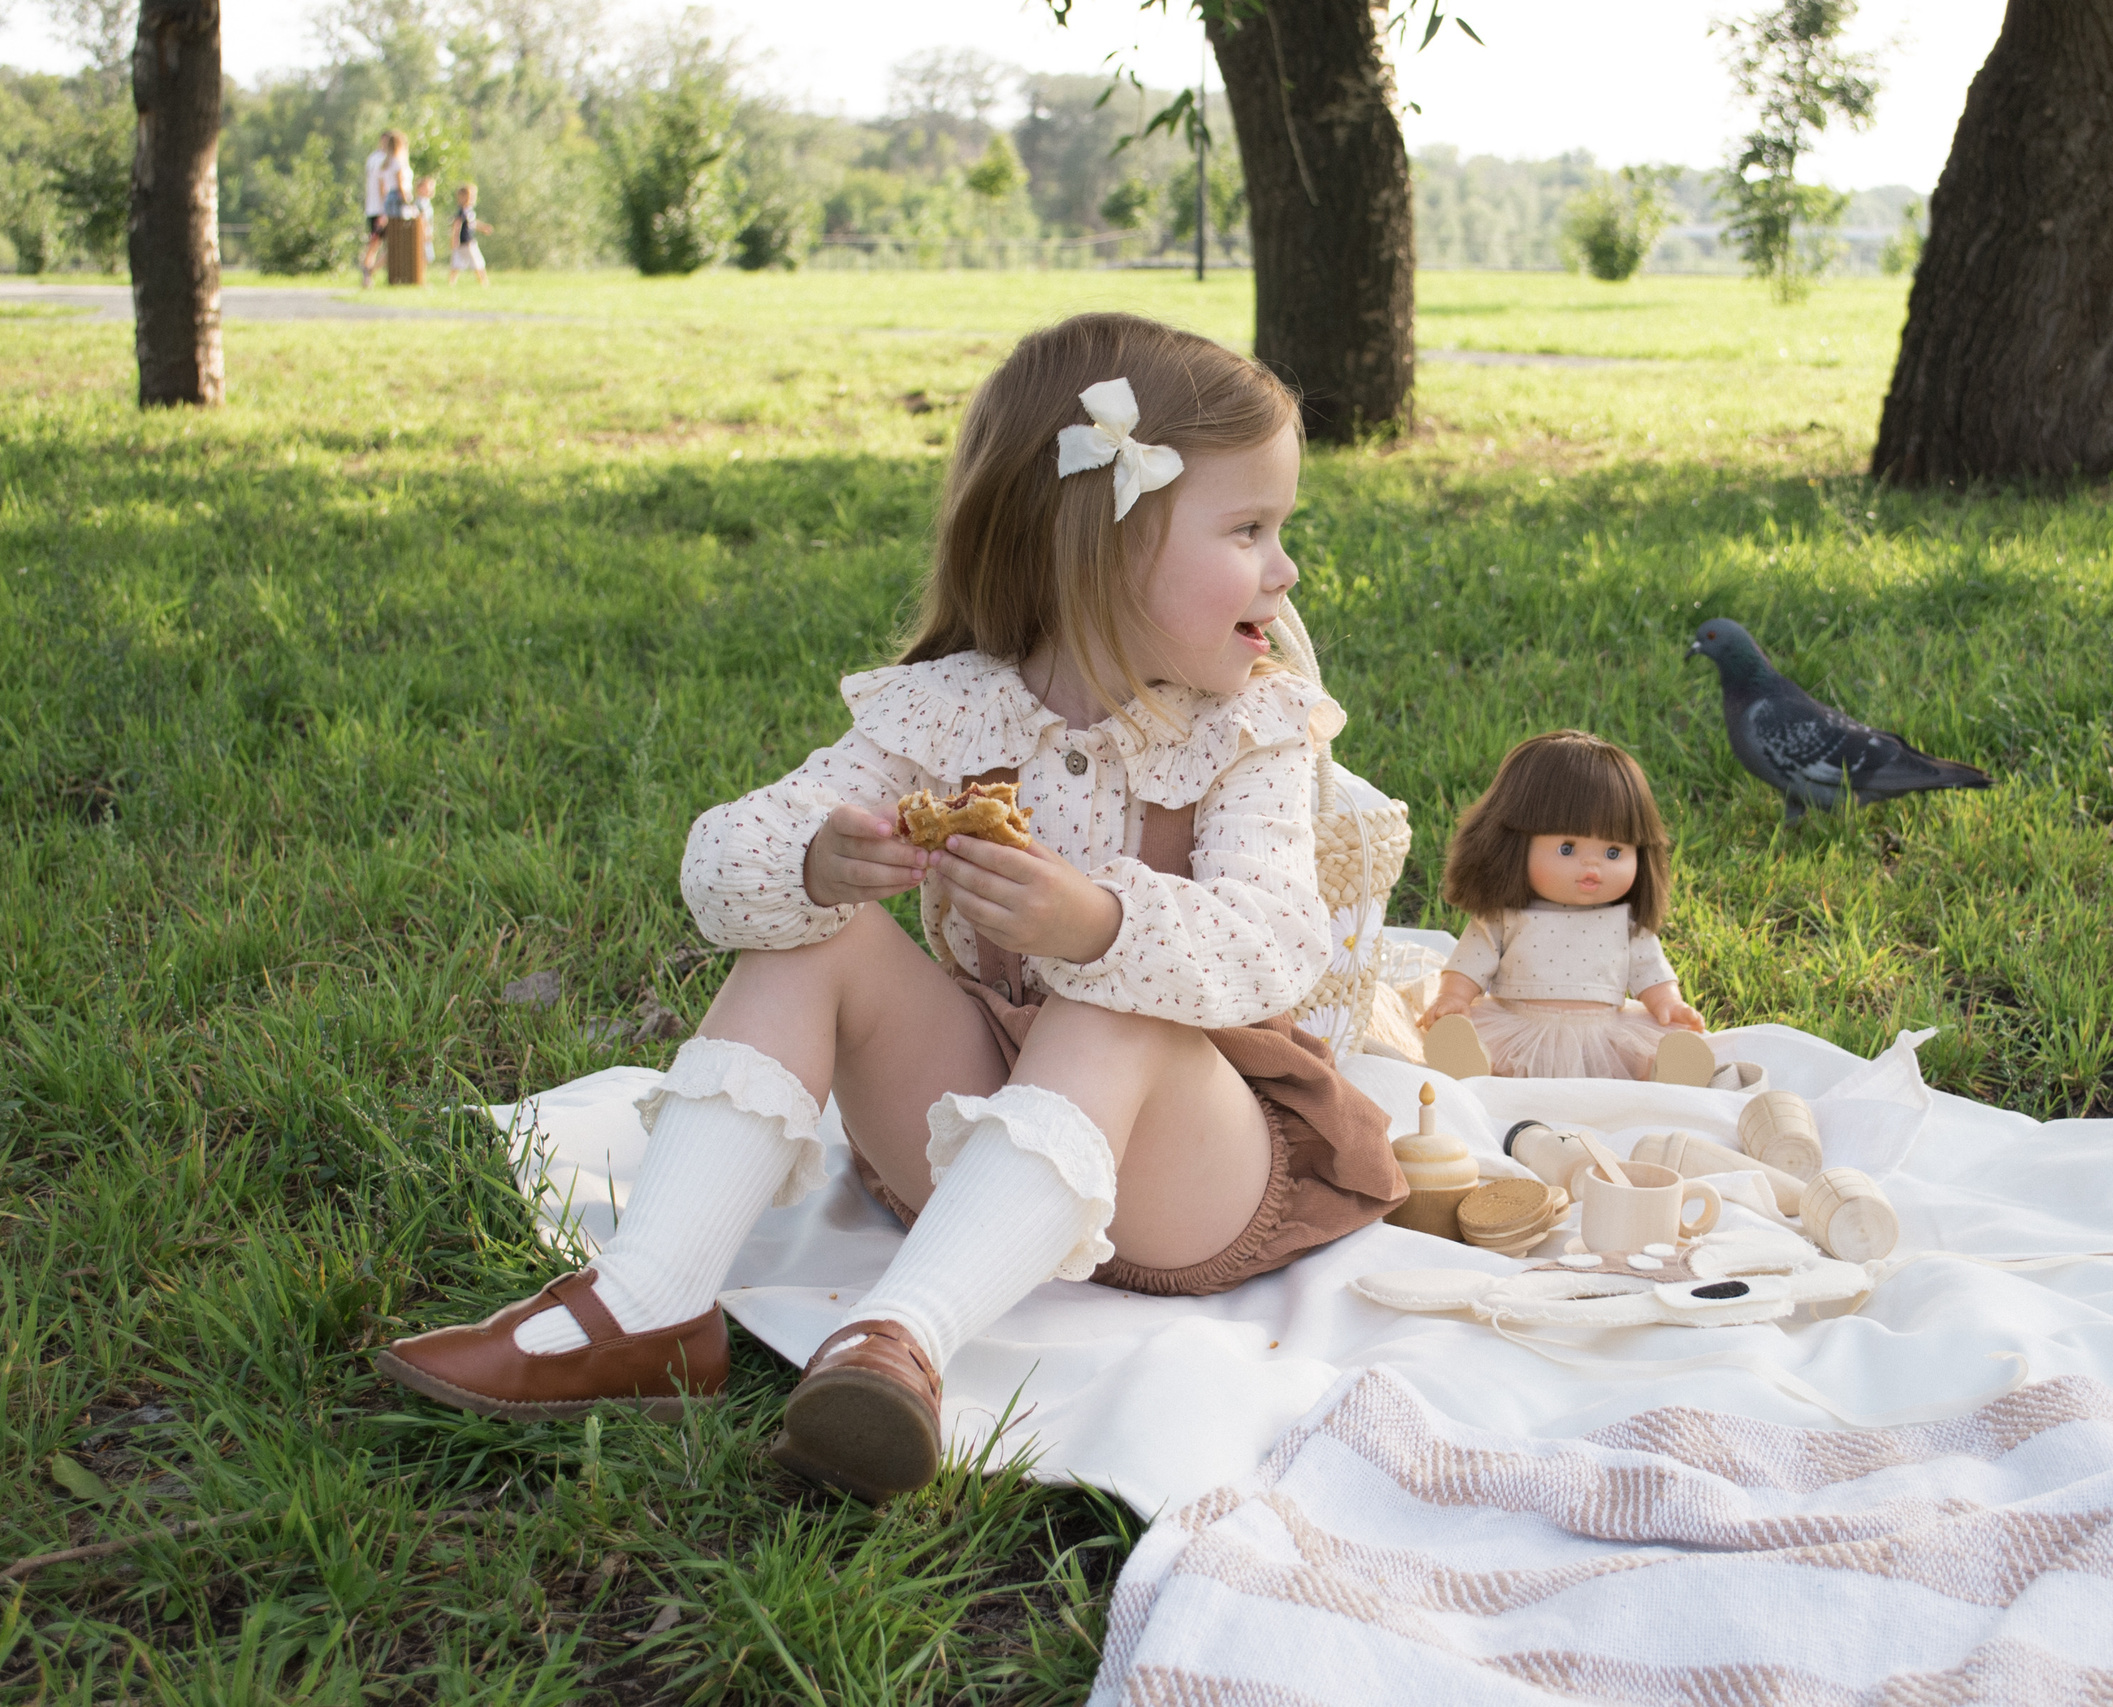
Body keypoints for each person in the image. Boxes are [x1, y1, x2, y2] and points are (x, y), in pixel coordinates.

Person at [374, 313, 1404, 1502]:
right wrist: (815, 864)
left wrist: (1097, 926)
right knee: (809, 940)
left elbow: (1277, 945)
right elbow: (717, 866)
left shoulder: (1250, 730)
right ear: (1103, 542)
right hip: (971, 1140)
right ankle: (651, 1305)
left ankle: (897, 1342)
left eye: (1279, 530)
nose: (1283, 571)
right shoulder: (951, 710)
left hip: (1186, 1176)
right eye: (1248, 530)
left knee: (1107, 1006)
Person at [1416, 731, 1714, 1081]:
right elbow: (1471, 961)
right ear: (1514, 845)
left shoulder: (1625, 923)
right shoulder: (1506, 917)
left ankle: (1666, 1069)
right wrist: (1454, 997)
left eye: (1613, 852)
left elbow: (1651, 971)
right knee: (1487, 1049)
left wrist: (1669, 1004)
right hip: (1517, 1026)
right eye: (1567, 849)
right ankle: (1470, 1061)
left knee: (1639, 1054)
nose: (1592, 866)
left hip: (1602, 1033)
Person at [359, 129, 394, 287]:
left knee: (378, 244)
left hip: (376, 208)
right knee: (376, 244)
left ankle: (369, 273)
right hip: (379, 209)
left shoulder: (374, 158)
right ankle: (368, 273)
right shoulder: (380, 159)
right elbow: (382, 186)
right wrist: (383, 210)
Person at [448, 183, 494, 285]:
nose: (472, 199)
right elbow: (457, 225)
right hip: (465, 242)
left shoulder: (469, 211)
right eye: (470, 196)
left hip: (468, 241)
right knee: (475, 262)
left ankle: (483, 281)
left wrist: (483, 228)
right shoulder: (461, 212)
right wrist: (454, 238)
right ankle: (483, 282)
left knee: (463, 262)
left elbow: (472, 223)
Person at [412, 176, 437, 269]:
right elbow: (421, 219)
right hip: (422, 233)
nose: (430, 190)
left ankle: (422, 275)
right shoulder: (419, 203)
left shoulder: (426, 202)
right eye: (427, 187)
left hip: (426, 232)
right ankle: (419, 275)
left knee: (427, 257)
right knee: (423, 256)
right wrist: (424, 233)